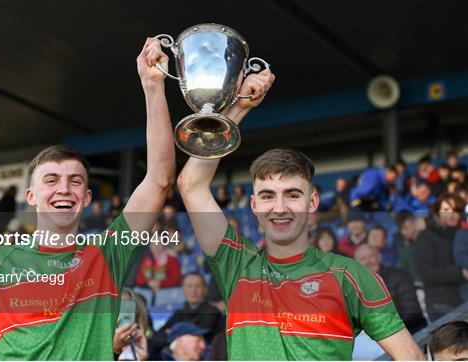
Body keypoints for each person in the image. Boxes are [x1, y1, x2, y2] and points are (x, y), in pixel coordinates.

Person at [0, 37, 176, 360]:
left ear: (86, 197)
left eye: (75, 181)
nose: (64, 189)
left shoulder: (107, 255)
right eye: (51, 180)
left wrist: (153, 86)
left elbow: (159, 180)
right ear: (31, 197)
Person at [177, 72, 423, 358]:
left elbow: (412, 356)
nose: (279, 207)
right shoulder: (236, 266)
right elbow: (191, 185)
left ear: (312, 201)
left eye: (292, 195)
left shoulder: (351, 276)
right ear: (254, 205)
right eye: (268, 196)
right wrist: (240, 106)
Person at [413, 192, 468, 322]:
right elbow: (427, 273)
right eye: (446, 210)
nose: (451, 214)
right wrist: (461, 273)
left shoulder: (463, 234)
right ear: (437, 212)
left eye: (456, 209)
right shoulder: (426, 237)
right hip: (442, 304)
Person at [354, 244, 427, 334]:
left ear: (379, 257)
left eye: (371, 256)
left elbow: (412, 312)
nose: (368, 261)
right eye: (362, 259)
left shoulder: (399, 276)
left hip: (410, 333)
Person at [151, 273, 221, 353]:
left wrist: (172, 332)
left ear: (205, 289)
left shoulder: (213, 312)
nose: (193, 290)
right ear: (183, 289)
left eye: (198, 286)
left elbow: (201, 335)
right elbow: (157, 339)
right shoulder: (178, 314)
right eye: (189, 286)